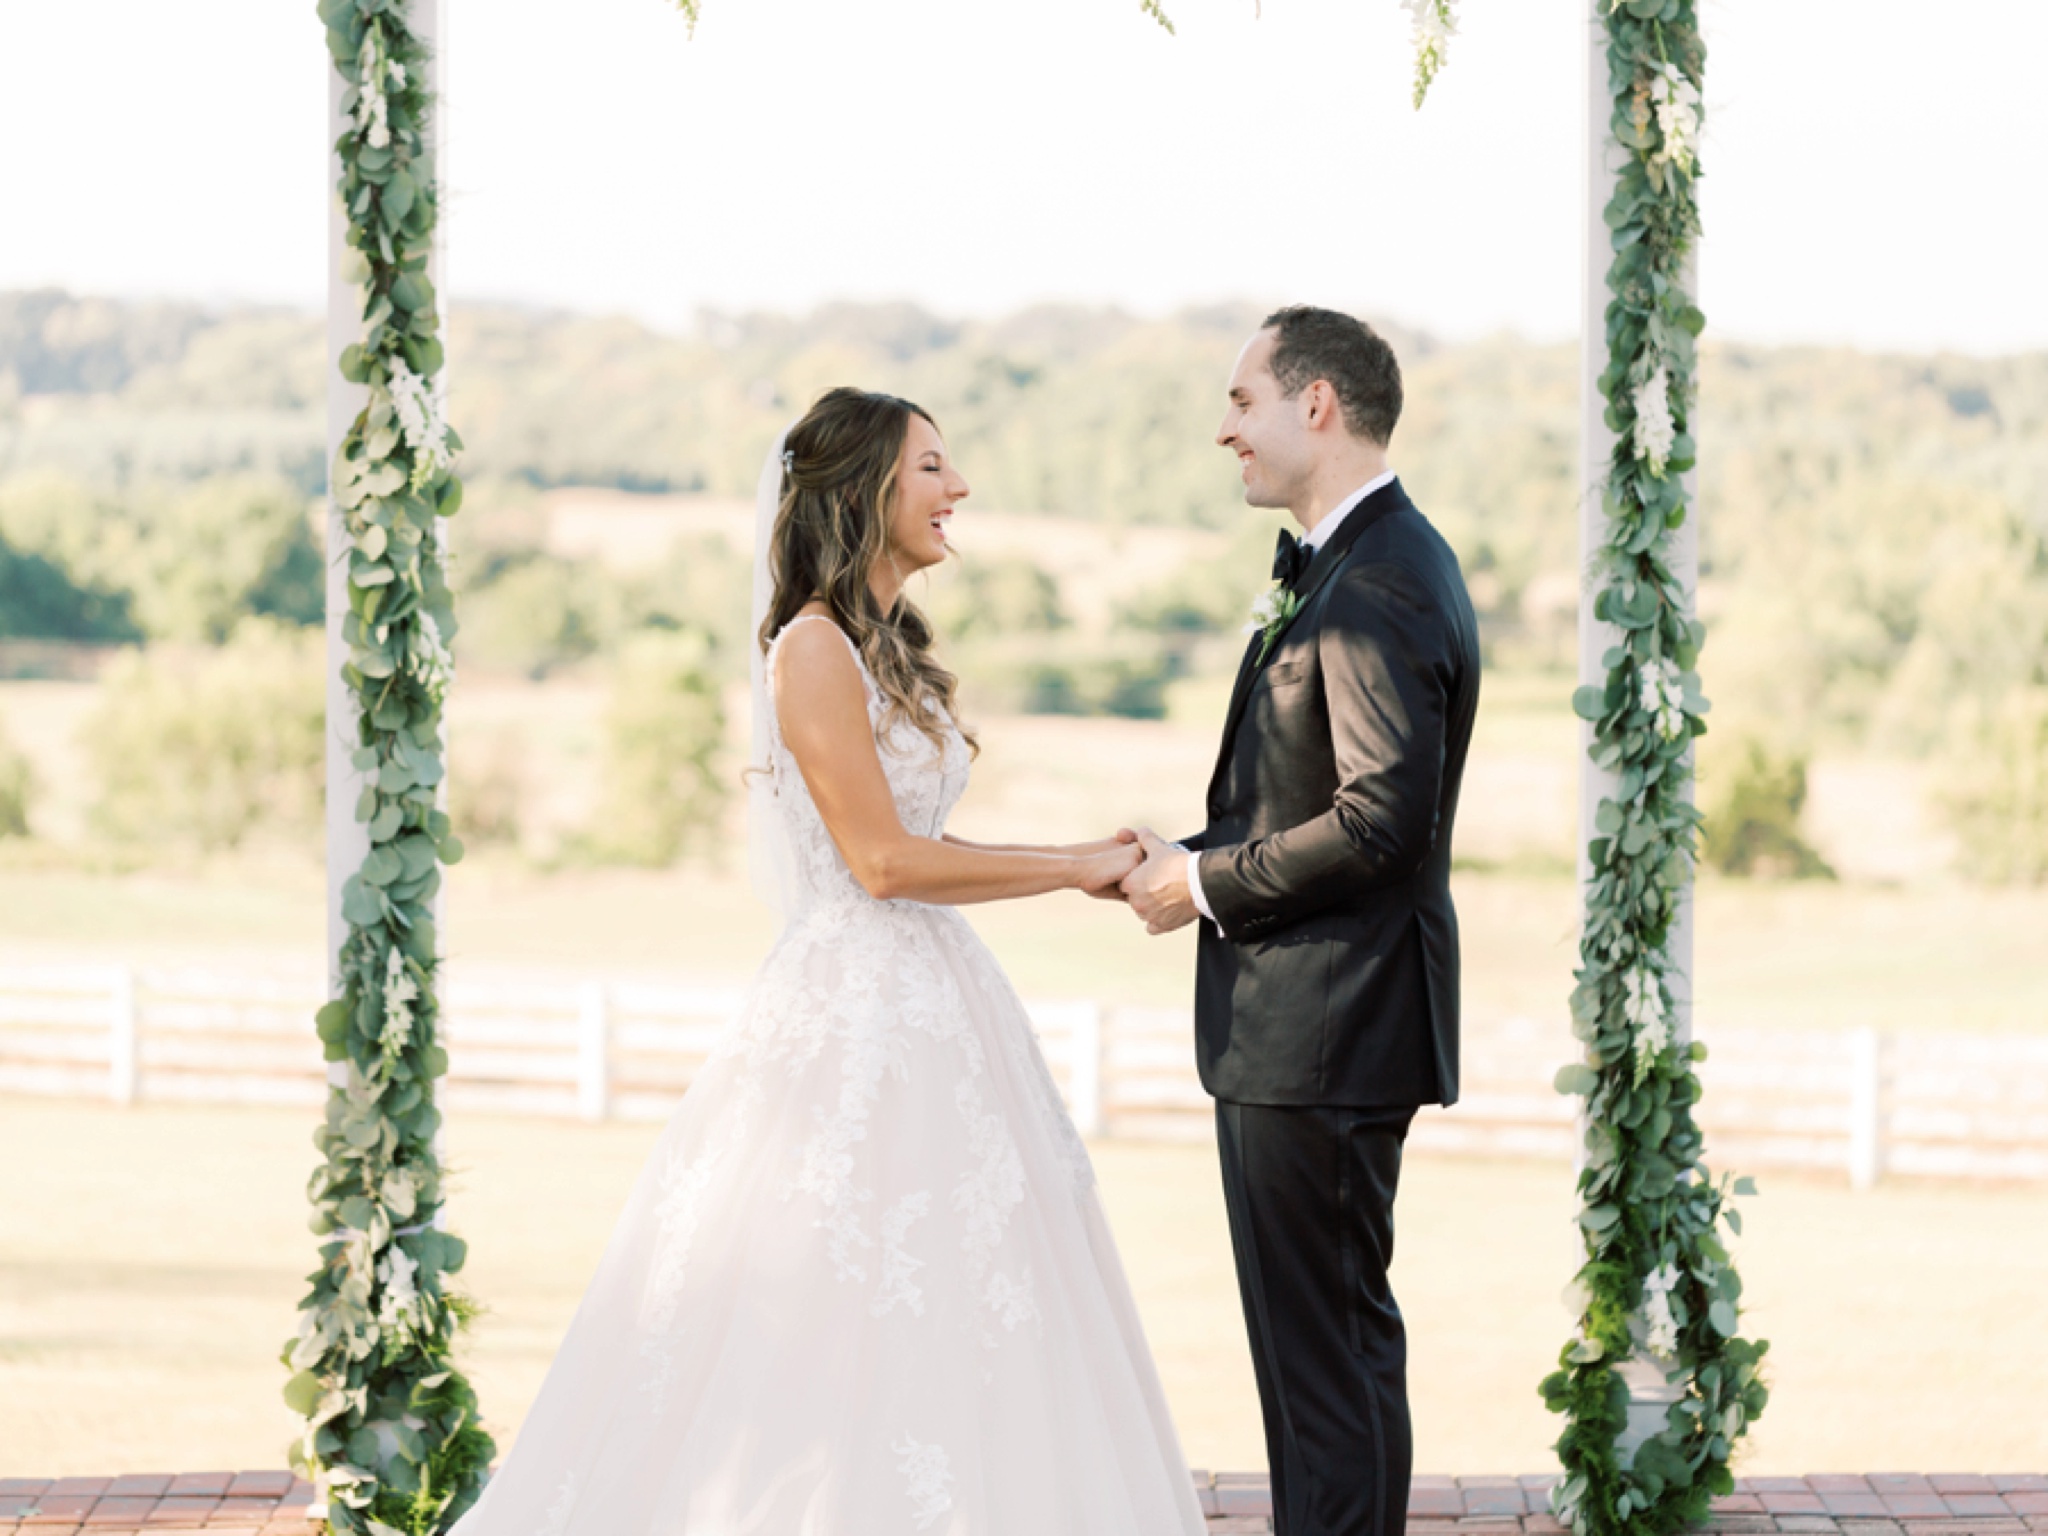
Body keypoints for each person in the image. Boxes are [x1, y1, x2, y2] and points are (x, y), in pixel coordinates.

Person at [449, 386, 1205, 1536]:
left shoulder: (880, 648)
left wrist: (1087, 861)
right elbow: (881, 865)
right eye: (931, 467)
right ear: (862, 491)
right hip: (852, 1013)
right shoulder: (810, 648)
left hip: (936, 1005)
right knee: (830, 1285)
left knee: (960, 1286)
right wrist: (1063, 867)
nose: (958, 488)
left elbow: (919, 844)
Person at [1120, 306, 1481, 1536]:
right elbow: (1298, 794)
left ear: (1314, 403)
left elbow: (1379, 821)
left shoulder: (1380, 577)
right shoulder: (1347, 562)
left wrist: (1203, 887)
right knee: (1312, 1358)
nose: (1223, 429)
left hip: (1329, 1024)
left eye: (1241, 401)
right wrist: (1186, 857)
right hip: (1305, 1023)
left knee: (1326, 1363)